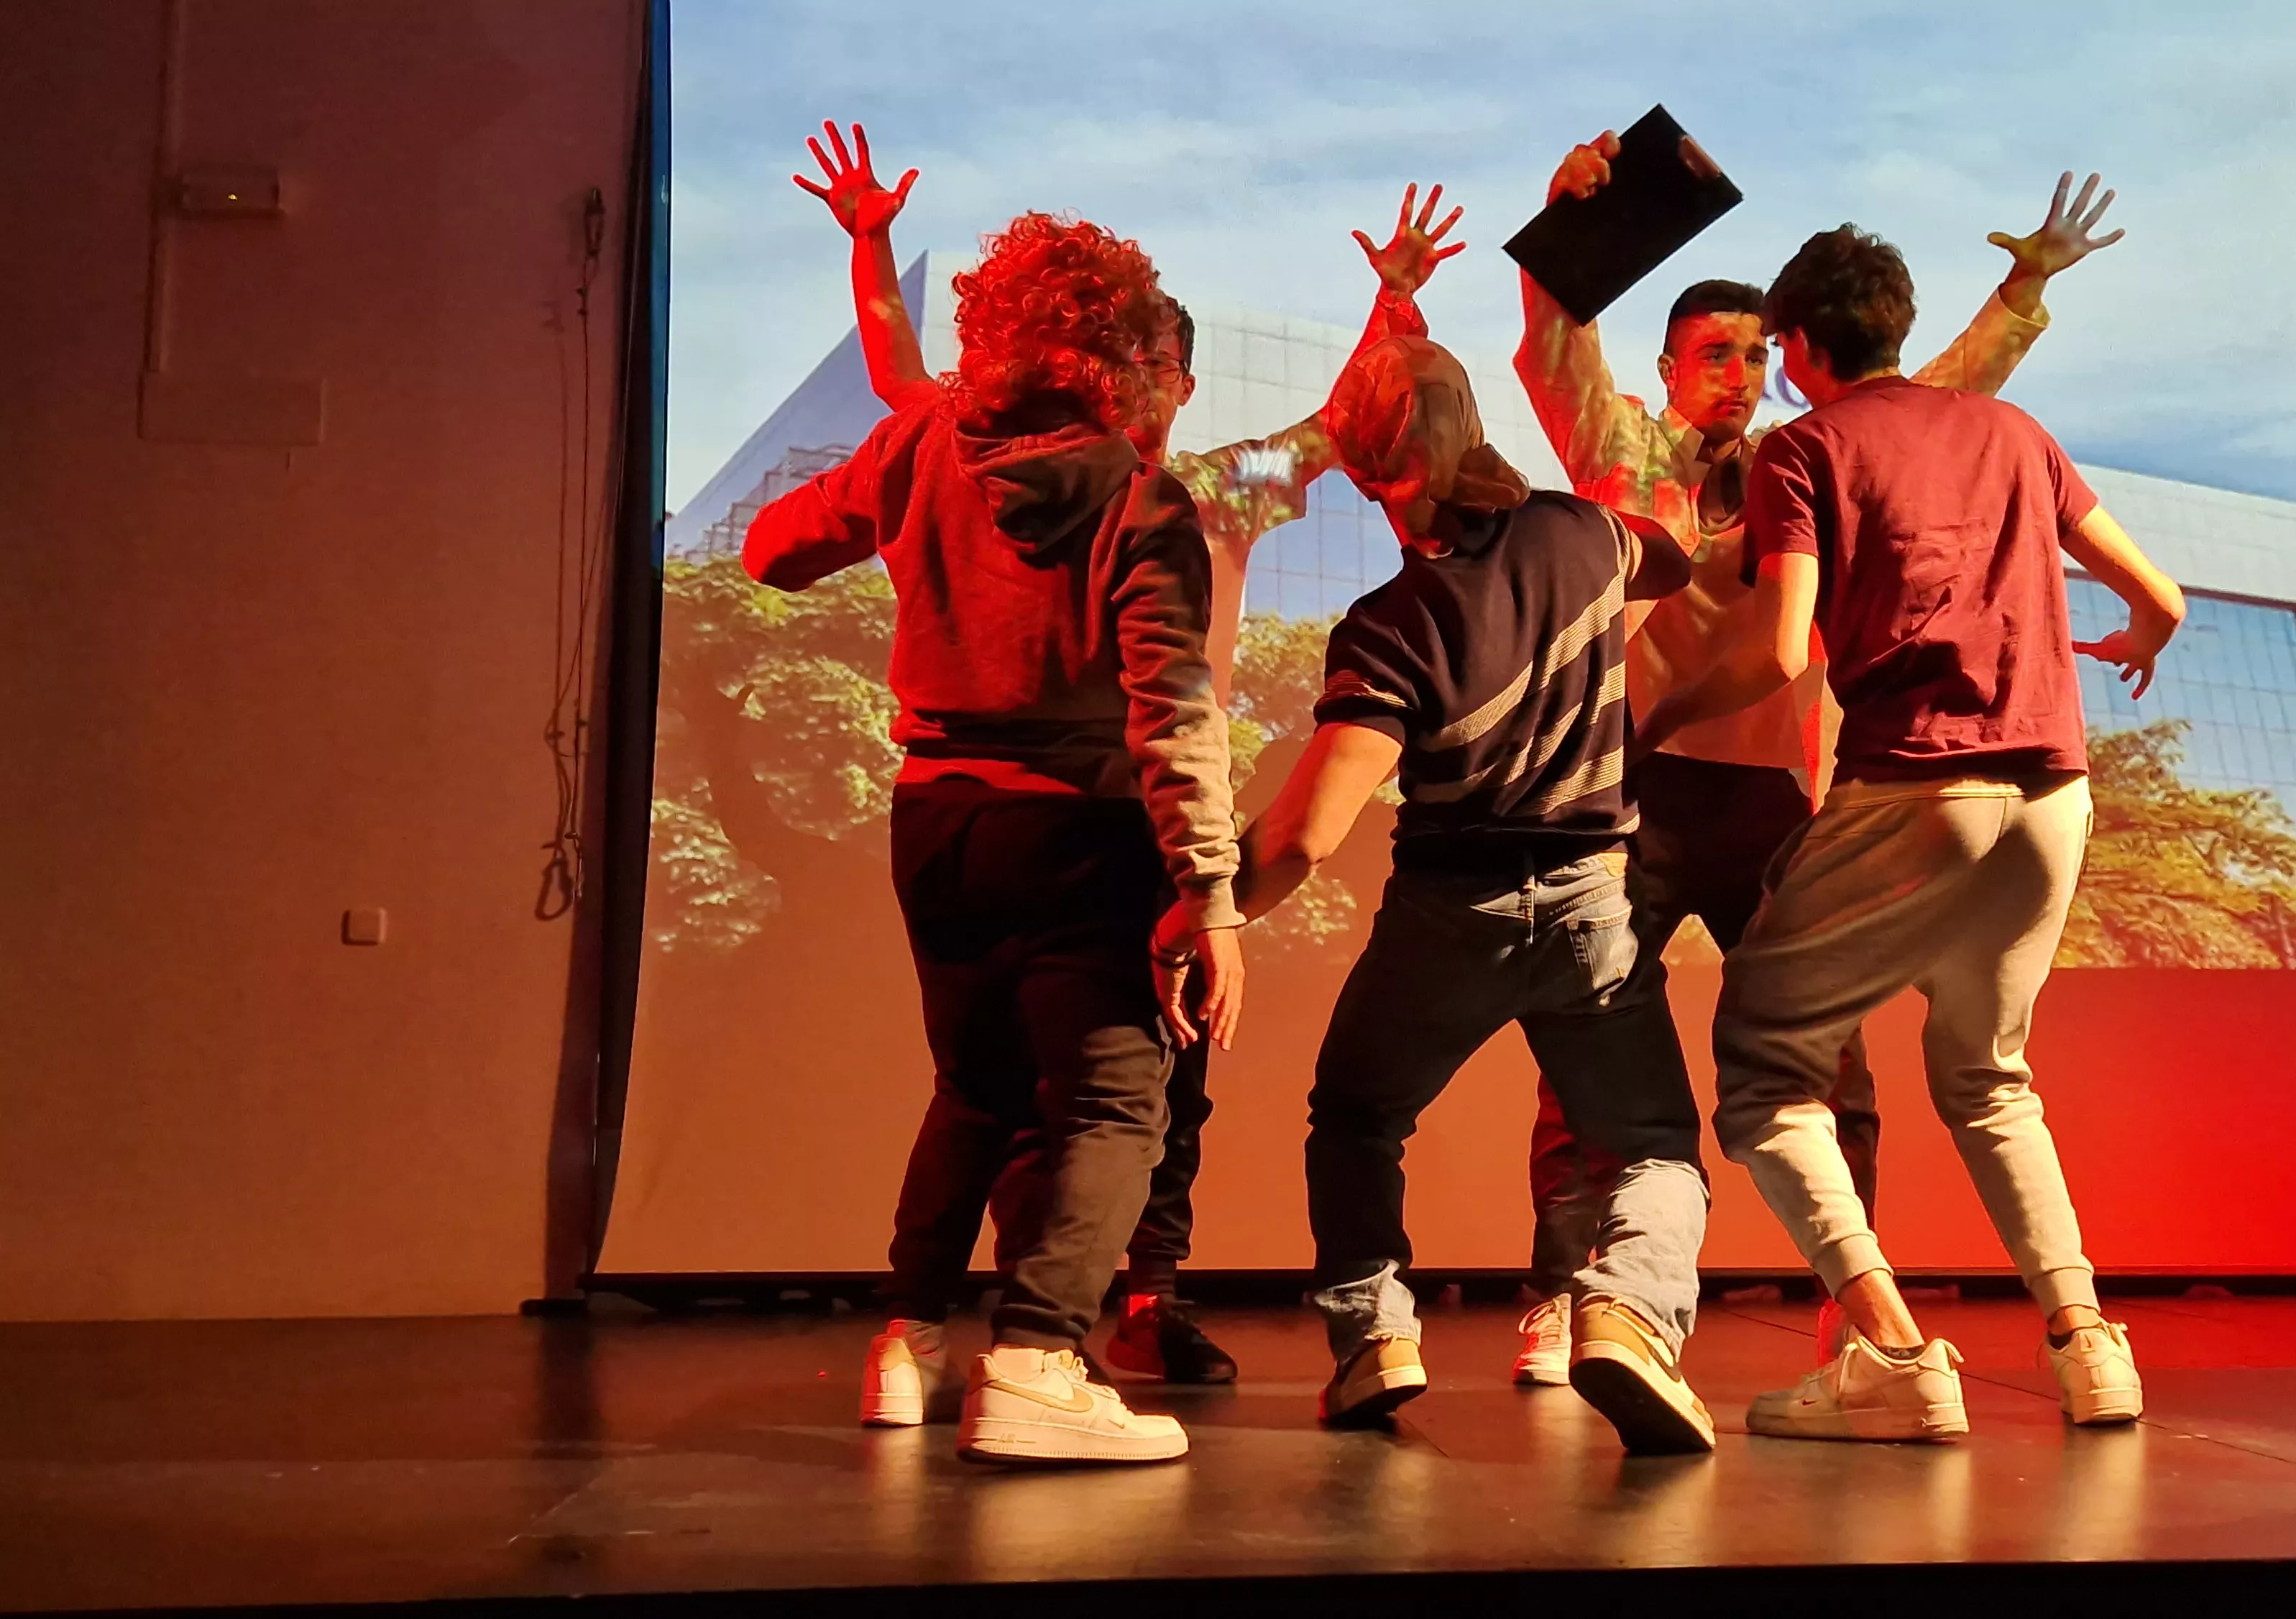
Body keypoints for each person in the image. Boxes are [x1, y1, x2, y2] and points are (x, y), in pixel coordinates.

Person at [798, 123, 1460, 1390]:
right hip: (1101, 818)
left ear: (1181, 385)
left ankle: (1137, 1299)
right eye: (1131, 357)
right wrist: (873, 250)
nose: (1140, 379)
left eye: (1160, 363)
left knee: (1148, 1086)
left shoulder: (1220, 487)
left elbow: (1330, 428)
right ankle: (1053, 1327)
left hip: (1142, 816)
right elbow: (907, 382)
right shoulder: (1047, 470)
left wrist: (1395, 300)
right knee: (1064, 1090)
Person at [1507, 132, 2126, 1383]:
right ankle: (1565, 1299)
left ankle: (1857, 1311)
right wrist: (1565, 213)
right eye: (1714, 354)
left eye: (1756, 351)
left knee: (1830, 1057)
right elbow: (1554, 340)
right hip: (1634, 788)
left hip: (1779, 793)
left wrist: (2025, 293)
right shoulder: (1620, 453)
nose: (1740, 373)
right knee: (1584, 1043)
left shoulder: (1828, 457)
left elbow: (1941, 386)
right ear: (1670, 368)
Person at [1640, 223, 2185, 1441]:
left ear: (1794, 346)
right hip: (2056, 795)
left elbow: (1782, 652)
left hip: (1918, 787)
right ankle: (2089, 1347)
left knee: (1768, 1069)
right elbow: (2162, 596)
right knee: (1990, 1076)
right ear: (1894, 321)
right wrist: (2141, 639)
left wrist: (1657, 709)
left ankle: (1890, 1351)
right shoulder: (2015, 433)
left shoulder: (1803, 450)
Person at [743, 208, 1244, 1465]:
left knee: (973, 1088)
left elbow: (769, 550)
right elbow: (1172, 715)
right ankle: (1033, 1357)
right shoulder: (1143, 501)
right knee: (1116, 1104)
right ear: (1128, 352)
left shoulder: (924, 442)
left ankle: (907, 1345)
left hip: (941, 822)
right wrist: (1213, 899)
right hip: (1081, 830)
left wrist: (897, 508)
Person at [1199, 334, 1715, 1454]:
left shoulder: (1391, 624)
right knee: (1655, 1148)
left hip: (1450, 916)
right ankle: (1626, 1310)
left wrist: (1210, 907)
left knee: (1356, 1119)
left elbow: (1307, 834)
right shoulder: (1583, 533)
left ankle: (1376, 1340)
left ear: (1369, 467)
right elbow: (1672, 562)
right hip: (1595, 908)